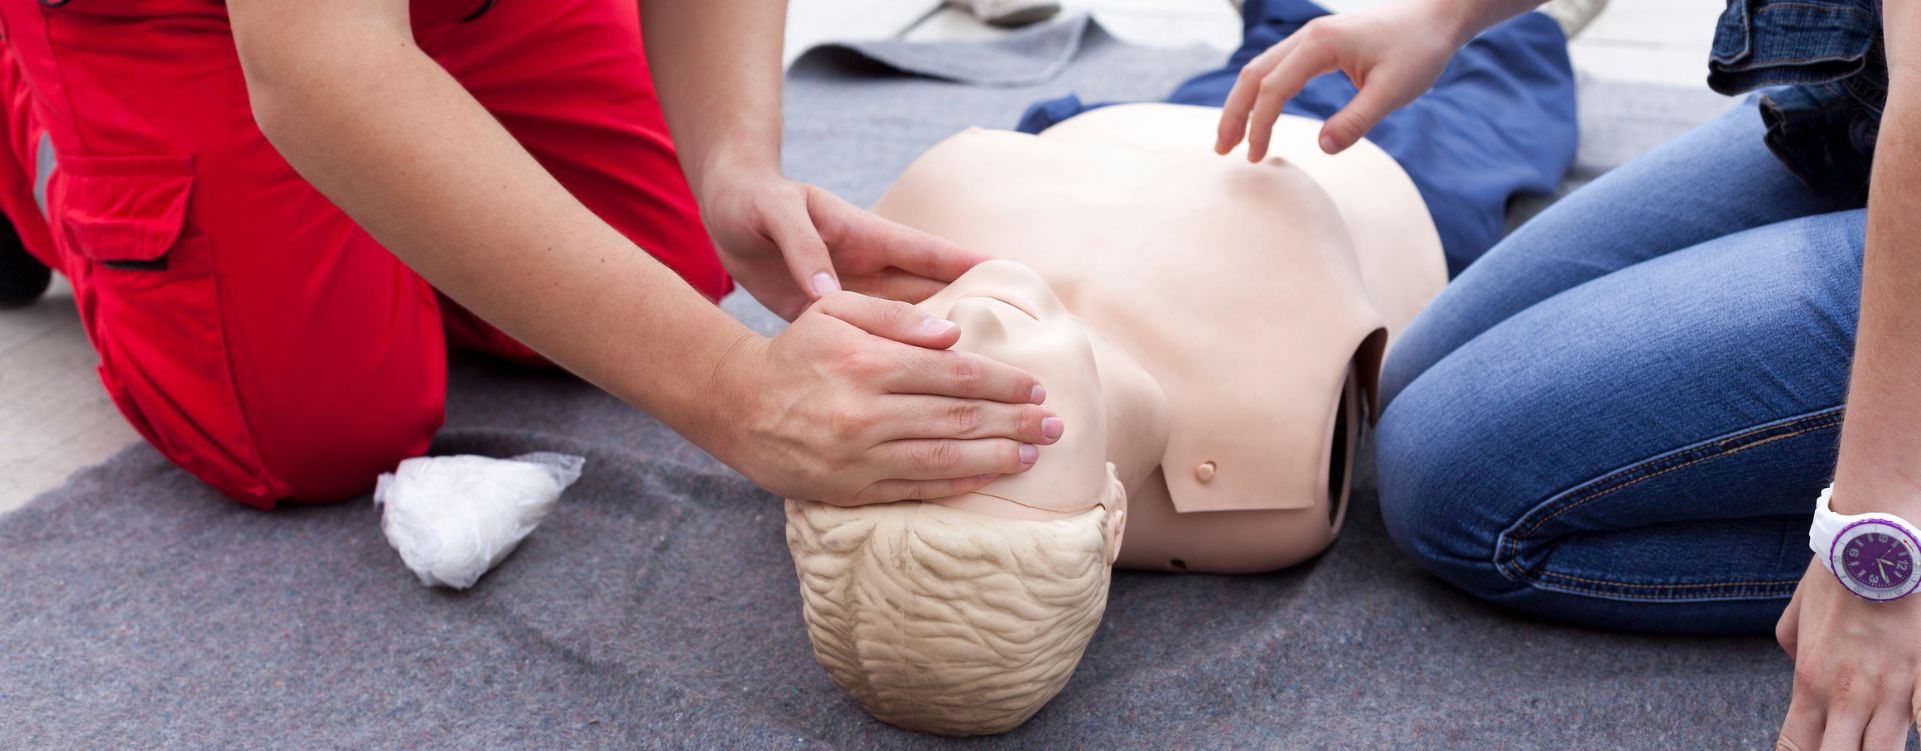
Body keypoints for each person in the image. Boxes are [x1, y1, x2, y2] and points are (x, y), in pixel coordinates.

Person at [777, 0, 1593, 733]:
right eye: (995, 434)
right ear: (1108, 514)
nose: (974, 323)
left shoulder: (890, 345)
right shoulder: (1261, 493)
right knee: (1499, 77)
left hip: (1114, 137)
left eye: (923, 419)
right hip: (1366, 165)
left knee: (1270, 54)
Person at [0, 0, 1067, 511]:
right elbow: (317, 60)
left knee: (666, 256)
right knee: (322, 432)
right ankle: (28, 130)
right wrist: (733, 392)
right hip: (179, 20)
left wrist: (737, 161)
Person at [1215, 0, 1919, 747]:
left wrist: (1873, 544)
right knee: (1411, 378)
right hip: (1856, 95)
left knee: (1453, 493)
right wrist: (1440, 20)